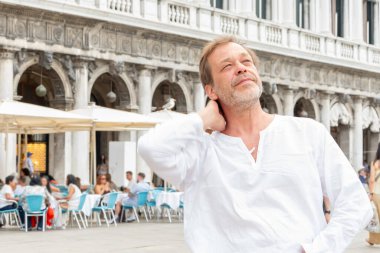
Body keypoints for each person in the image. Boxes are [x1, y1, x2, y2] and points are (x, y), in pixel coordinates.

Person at [138, 36, 373, 253]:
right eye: (227, 66)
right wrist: (205, 118)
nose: (241, 68)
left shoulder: (308, 133)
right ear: (211, 90)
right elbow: (151, 147)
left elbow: (356, 204)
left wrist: (316, 250)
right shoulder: (200, 152)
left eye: (246, 62)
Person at [367, 143, 380, 245]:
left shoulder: (375, 163)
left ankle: (373, 239)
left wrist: (370, 193)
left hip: (377, 193)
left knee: (376, 217)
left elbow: (372, 180)